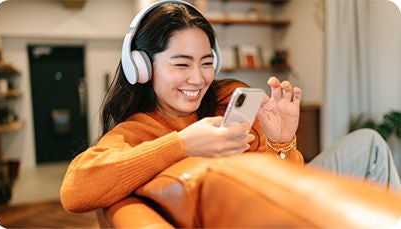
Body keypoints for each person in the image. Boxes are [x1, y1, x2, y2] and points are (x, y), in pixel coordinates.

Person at [60, 0, 400, 213]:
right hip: (251, 213)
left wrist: (281, 142)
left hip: (276, 195)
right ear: (142, 68)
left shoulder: (229, 96)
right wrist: (181, 145)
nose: (198, 77)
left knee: (368, 144)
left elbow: (284, 174)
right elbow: (75, 190)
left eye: (206, 62)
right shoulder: (138, 130)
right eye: (181, 64)